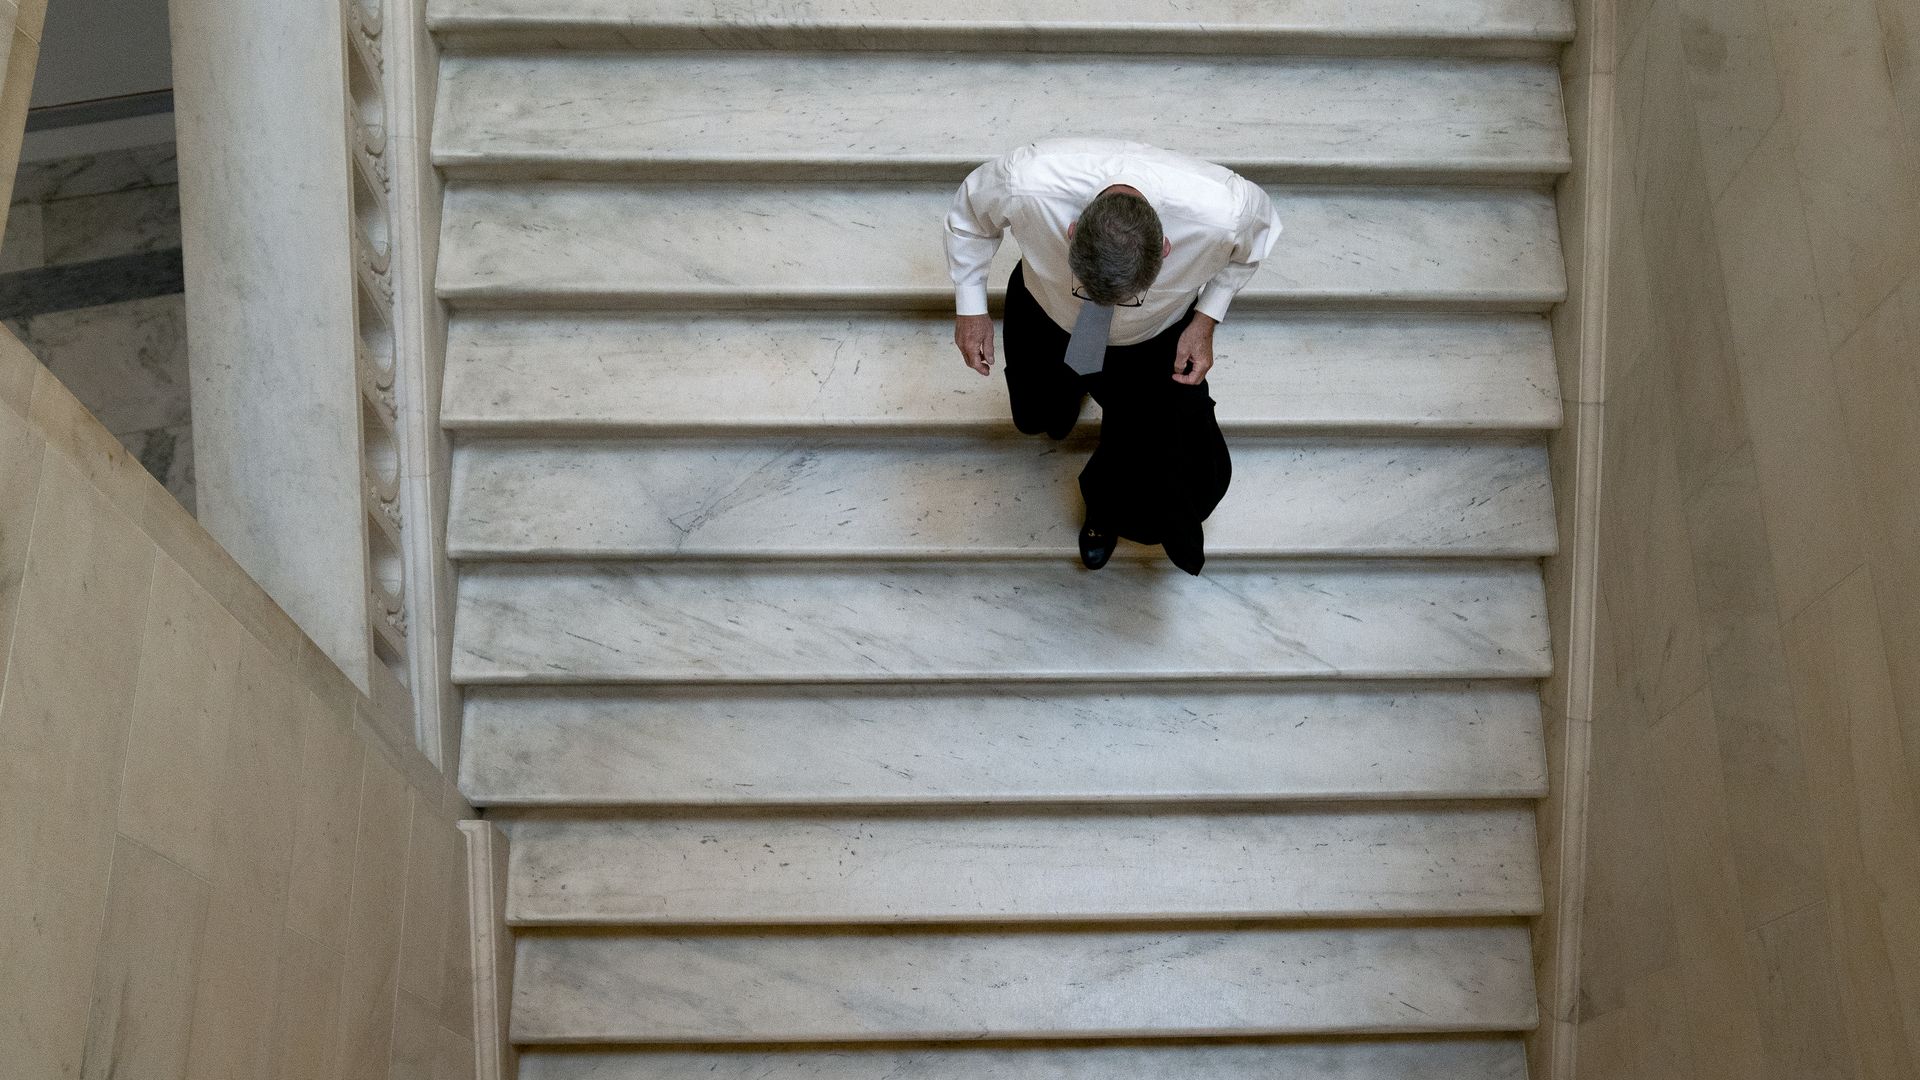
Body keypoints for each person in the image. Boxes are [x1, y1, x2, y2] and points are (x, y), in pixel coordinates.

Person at [944, 137, 1282, 575]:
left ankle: (1106, 509)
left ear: (1164, 247)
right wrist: (970, 307)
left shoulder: (1224, 212)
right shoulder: (1026, 183)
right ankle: (1066, 397)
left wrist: (1206, 318)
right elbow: (971, 216)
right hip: (1046, 313)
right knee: (1036, 416)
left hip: (1149, 339)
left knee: (1142, 442)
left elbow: (1253, 246)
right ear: (1071, 231)